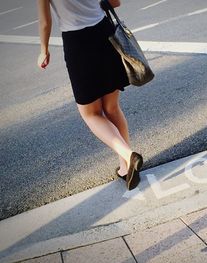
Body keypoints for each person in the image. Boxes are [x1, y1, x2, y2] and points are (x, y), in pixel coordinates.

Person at [37, 0, 143, 190]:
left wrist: (43, 50)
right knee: (112, 108)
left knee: (91, 114)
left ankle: (128, 156)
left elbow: (45, 22)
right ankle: (126, 167)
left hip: (77, 44)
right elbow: (115, 2)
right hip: (104, 34)